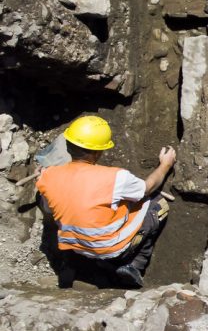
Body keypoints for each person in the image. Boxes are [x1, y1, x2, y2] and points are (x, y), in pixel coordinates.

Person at [36, 115, 175, 288]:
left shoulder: (47, 176)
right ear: (98, 152)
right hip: (110, 248)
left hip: (74, 245)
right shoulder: (116, 177)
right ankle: (134, 264)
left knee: (57, 205)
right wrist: (165, 165)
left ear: (67, 145)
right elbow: (147, 187)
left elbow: (50, 208)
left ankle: (73, 262)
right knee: (157, 204)